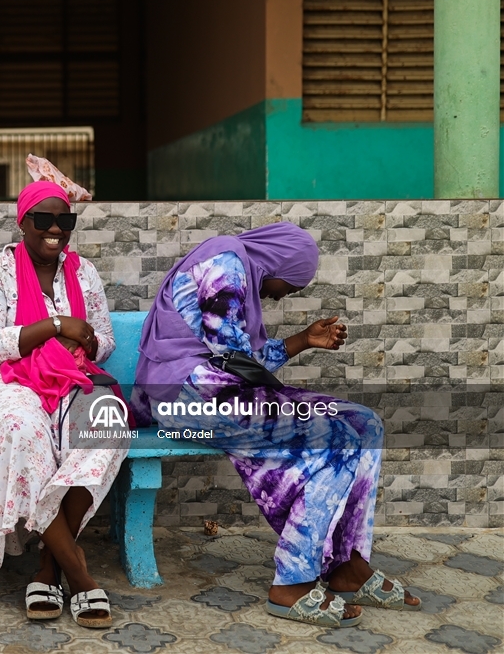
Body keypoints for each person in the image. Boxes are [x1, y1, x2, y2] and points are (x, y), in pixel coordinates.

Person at [134, 222, 420, 628]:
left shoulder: (238, 266)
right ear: (281, 263)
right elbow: (232, 356)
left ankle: (347, 564)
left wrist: (302, 340)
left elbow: (236, 361)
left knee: (364, 425)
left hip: (217, 390)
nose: (283, 295)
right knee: (335, 439)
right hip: (180, 396)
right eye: (293, 287)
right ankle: (293, 582)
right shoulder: (224, 262)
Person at [0, 181, 126, 629]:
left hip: (71, 377)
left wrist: (87, 342)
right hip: (7, 382)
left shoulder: (84, 271)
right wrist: (56, 326)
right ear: (23, 222)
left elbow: (104, 338)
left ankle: (48, 565)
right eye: (44, 219)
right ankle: (78, 574)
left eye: (65, 220)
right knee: (22, 430)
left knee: (105, 425)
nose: (55, 228)